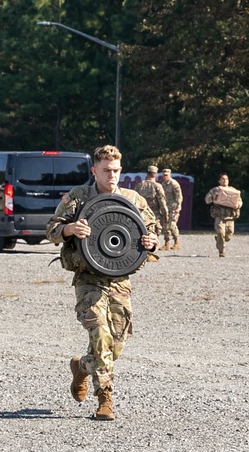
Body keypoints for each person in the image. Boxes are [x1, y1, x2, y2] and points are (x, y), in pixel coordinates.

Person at [46, 145, 157, 421]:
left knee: (116, 345)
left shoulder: (132, 200)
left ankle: (82, 367)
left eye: (117, 171)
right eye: (106, 171)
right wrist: (69, 229)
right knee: (100, 334)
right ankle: (105, 399)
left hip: (119, 280)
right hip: (88, 279)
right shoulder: (78, 197)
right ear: (94, 171)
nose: (112, 176)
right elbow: (51, 229)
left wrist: (151, 242)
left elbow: (151, 233)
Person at [205, 173, 243, 257]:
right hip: (219, 216)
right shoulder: (215, 190)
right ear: (219, 181)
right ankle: (221, 251)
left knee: (229, 234)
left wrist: (238, 205)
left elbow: (240, 201)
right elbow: (207, 201)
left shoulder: (233, 191)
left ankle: (219, 240)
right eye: (222, 179)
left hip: (230, 217)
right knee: (221, 232)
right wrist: (212, 196)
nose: (225, 180)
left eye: (226, 179)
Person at [135, 165, 167, 241]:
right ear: (155, 175)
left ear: (147, 174)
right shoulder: (157, 186)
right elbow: (162, 201)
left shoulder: (140, 185)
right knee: (155, 232)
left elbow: (135, 198)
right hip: (155, 213)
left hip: (142, 212)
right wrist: (165, 213)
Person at [160, 168, 183, 250]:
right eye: (164, 175)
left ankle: (176, 242)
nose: (165, 176)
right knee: (166, 225)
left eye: (166, 175)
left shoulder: (174, 184)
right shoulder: (163, 184)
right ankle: (166, 243)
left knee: (172, 225)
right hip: (166, 208)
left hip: (173, 208)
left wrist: (178, 207)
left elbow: (179, 196)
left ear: (170, 175)